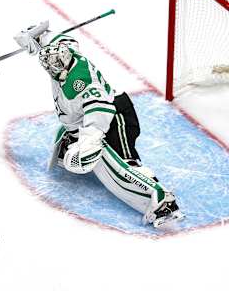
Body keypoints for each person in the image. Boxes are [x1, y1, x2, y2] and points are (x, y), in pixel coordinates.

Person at [14, 22, 185, 228]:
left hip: (116, 117)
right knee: (85, 143)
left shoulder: (82, 82)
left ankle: (163, 202)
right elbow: (62, 40)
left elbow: (100, 113)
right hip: (91, 117)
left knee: (125, 164)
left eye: (55, 66)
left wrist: (87, 146)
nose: (51, 70)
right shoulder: (65, 55)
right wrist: (37, 39)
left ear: (64, 62)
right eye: (48, 65)